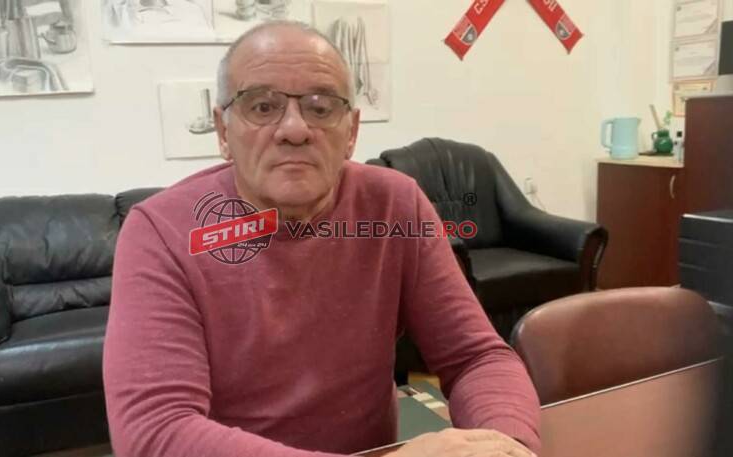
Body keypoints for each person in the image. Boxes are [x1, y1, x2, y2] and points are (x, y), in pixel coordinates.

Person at [103, 21, 541, 457]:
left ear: (351, 132)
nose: (294, 129)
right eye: (262, 106)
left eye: (320, 107)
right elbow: (154, 433)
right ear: (223, 131)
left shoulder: (395, 205)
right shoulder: (160, 232)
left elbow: (476, 358)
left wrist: (506, 444)